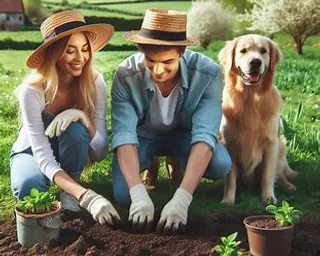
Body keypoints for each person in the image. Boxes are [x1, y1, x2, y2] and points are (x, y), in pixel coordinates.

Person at [111, 9, 231, 234]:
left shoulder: (208, 74)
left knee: (220, 164)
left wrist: (182, 198)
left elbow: (205, 136)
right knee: (121, 193)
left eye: (167, 62)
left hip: (182, 135)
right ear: (141, 50)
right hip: (143, 136)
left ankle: (176, 164)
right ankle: (152, 165)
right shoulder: (125, 75)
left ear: (182, 52)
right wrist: (138, 193)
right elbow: (123, 134)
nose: (158, 70)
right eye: (150, 61)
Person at [10, 10, 120, 225]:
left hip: (71, 143)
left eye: (84, 49)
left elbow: (98, 151)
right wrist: (88, 197)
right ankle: (73, 191)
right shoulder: (32, 91)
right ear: (55, 52)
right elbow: (43, 157)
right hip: (33, 148)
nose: (80, 58)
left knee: (76, 129)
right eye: (70, 50)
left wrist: (82, 118)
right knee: (28, 186)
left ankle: (69, 192)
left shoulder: (95, 82)